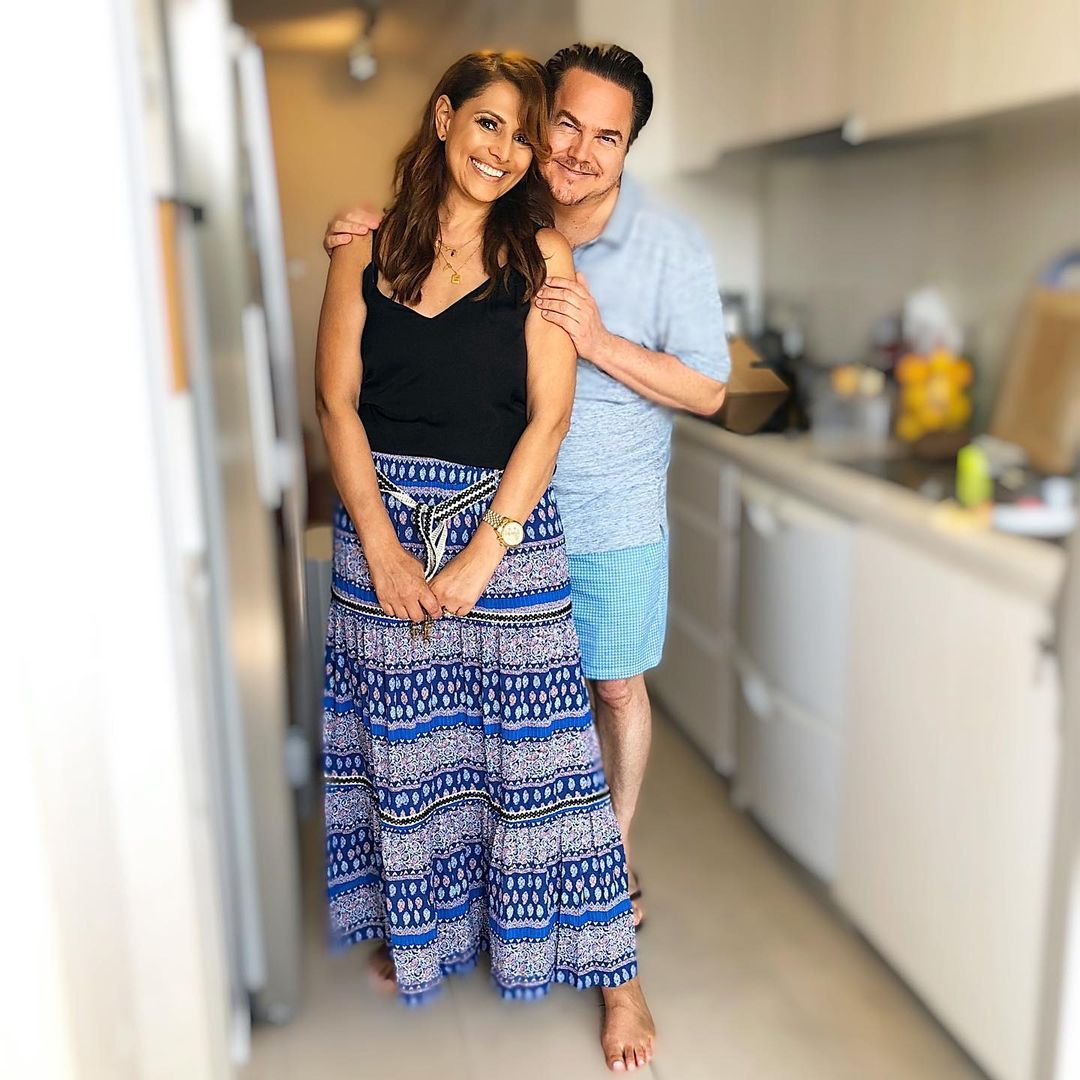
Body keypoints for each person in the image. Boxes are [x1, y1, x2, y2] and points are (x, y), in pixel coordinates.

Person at [325, 43, 731, 930]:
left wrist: (598, 340)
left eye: (607, 138)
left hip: (610, 516)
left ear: (628, 150)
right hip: (505, 514)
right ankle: (490, 897)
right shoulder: (506, 203)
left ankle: (609, 869)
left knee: (612, 692)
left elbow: (711, 389)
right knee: (491, 726)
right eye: (565, 127)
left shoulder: (667, 248)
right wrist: (362, 233)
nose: (578, 151)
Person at [315, 50, 654, 1071]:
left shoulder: (543, 256)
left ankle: (618, 981)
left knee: (549, 766)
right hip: (376, 535)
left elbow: (549, 420)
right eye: (489, 124)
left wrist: (479, 558)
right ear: (444, 117)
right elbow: (336, 403)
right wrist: (382, 549)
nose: (504, 152)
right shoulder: (362, 245)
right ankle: (422, 933)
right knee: (410, 759)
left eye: (523, 135)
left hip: (505, 537)